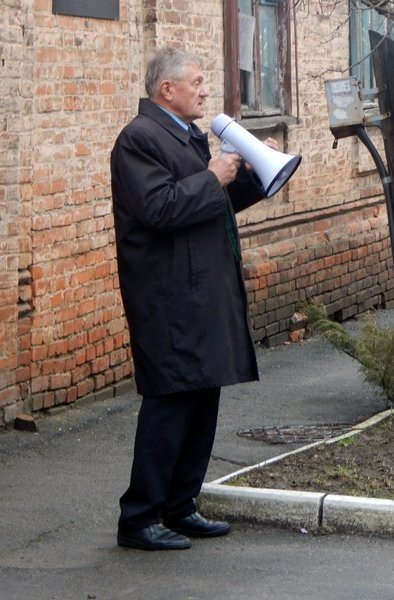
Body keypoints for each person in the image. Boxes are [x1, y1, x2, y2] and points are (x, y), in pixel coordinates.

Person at [110, 47, 276, 550]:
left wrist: (254, 173)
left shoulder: (184, 134)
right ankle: (139, 518)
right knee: (171, 401)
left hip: (202, 291)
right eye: (198, 82)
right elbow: (159, 208)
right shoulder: (139, 140)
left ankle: (181, 506)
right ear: (167, 90)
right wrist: (212, 176)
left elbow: (210, 205)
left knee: (203, 396)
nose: (206, 90)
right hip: (169, 296)